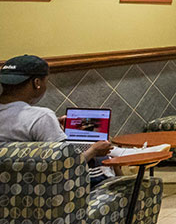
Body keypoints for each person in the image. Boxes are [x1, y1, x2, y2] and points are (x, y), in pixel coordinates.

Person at [0, 55, 114, 186]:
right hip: (48, 192)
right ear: (37, 83)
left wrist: (54, 125)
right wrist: (93, 150)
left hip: (12, 191)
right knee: (105, 161)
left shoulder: (41, 119)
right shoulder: (41, 117)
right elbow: (64, 166)